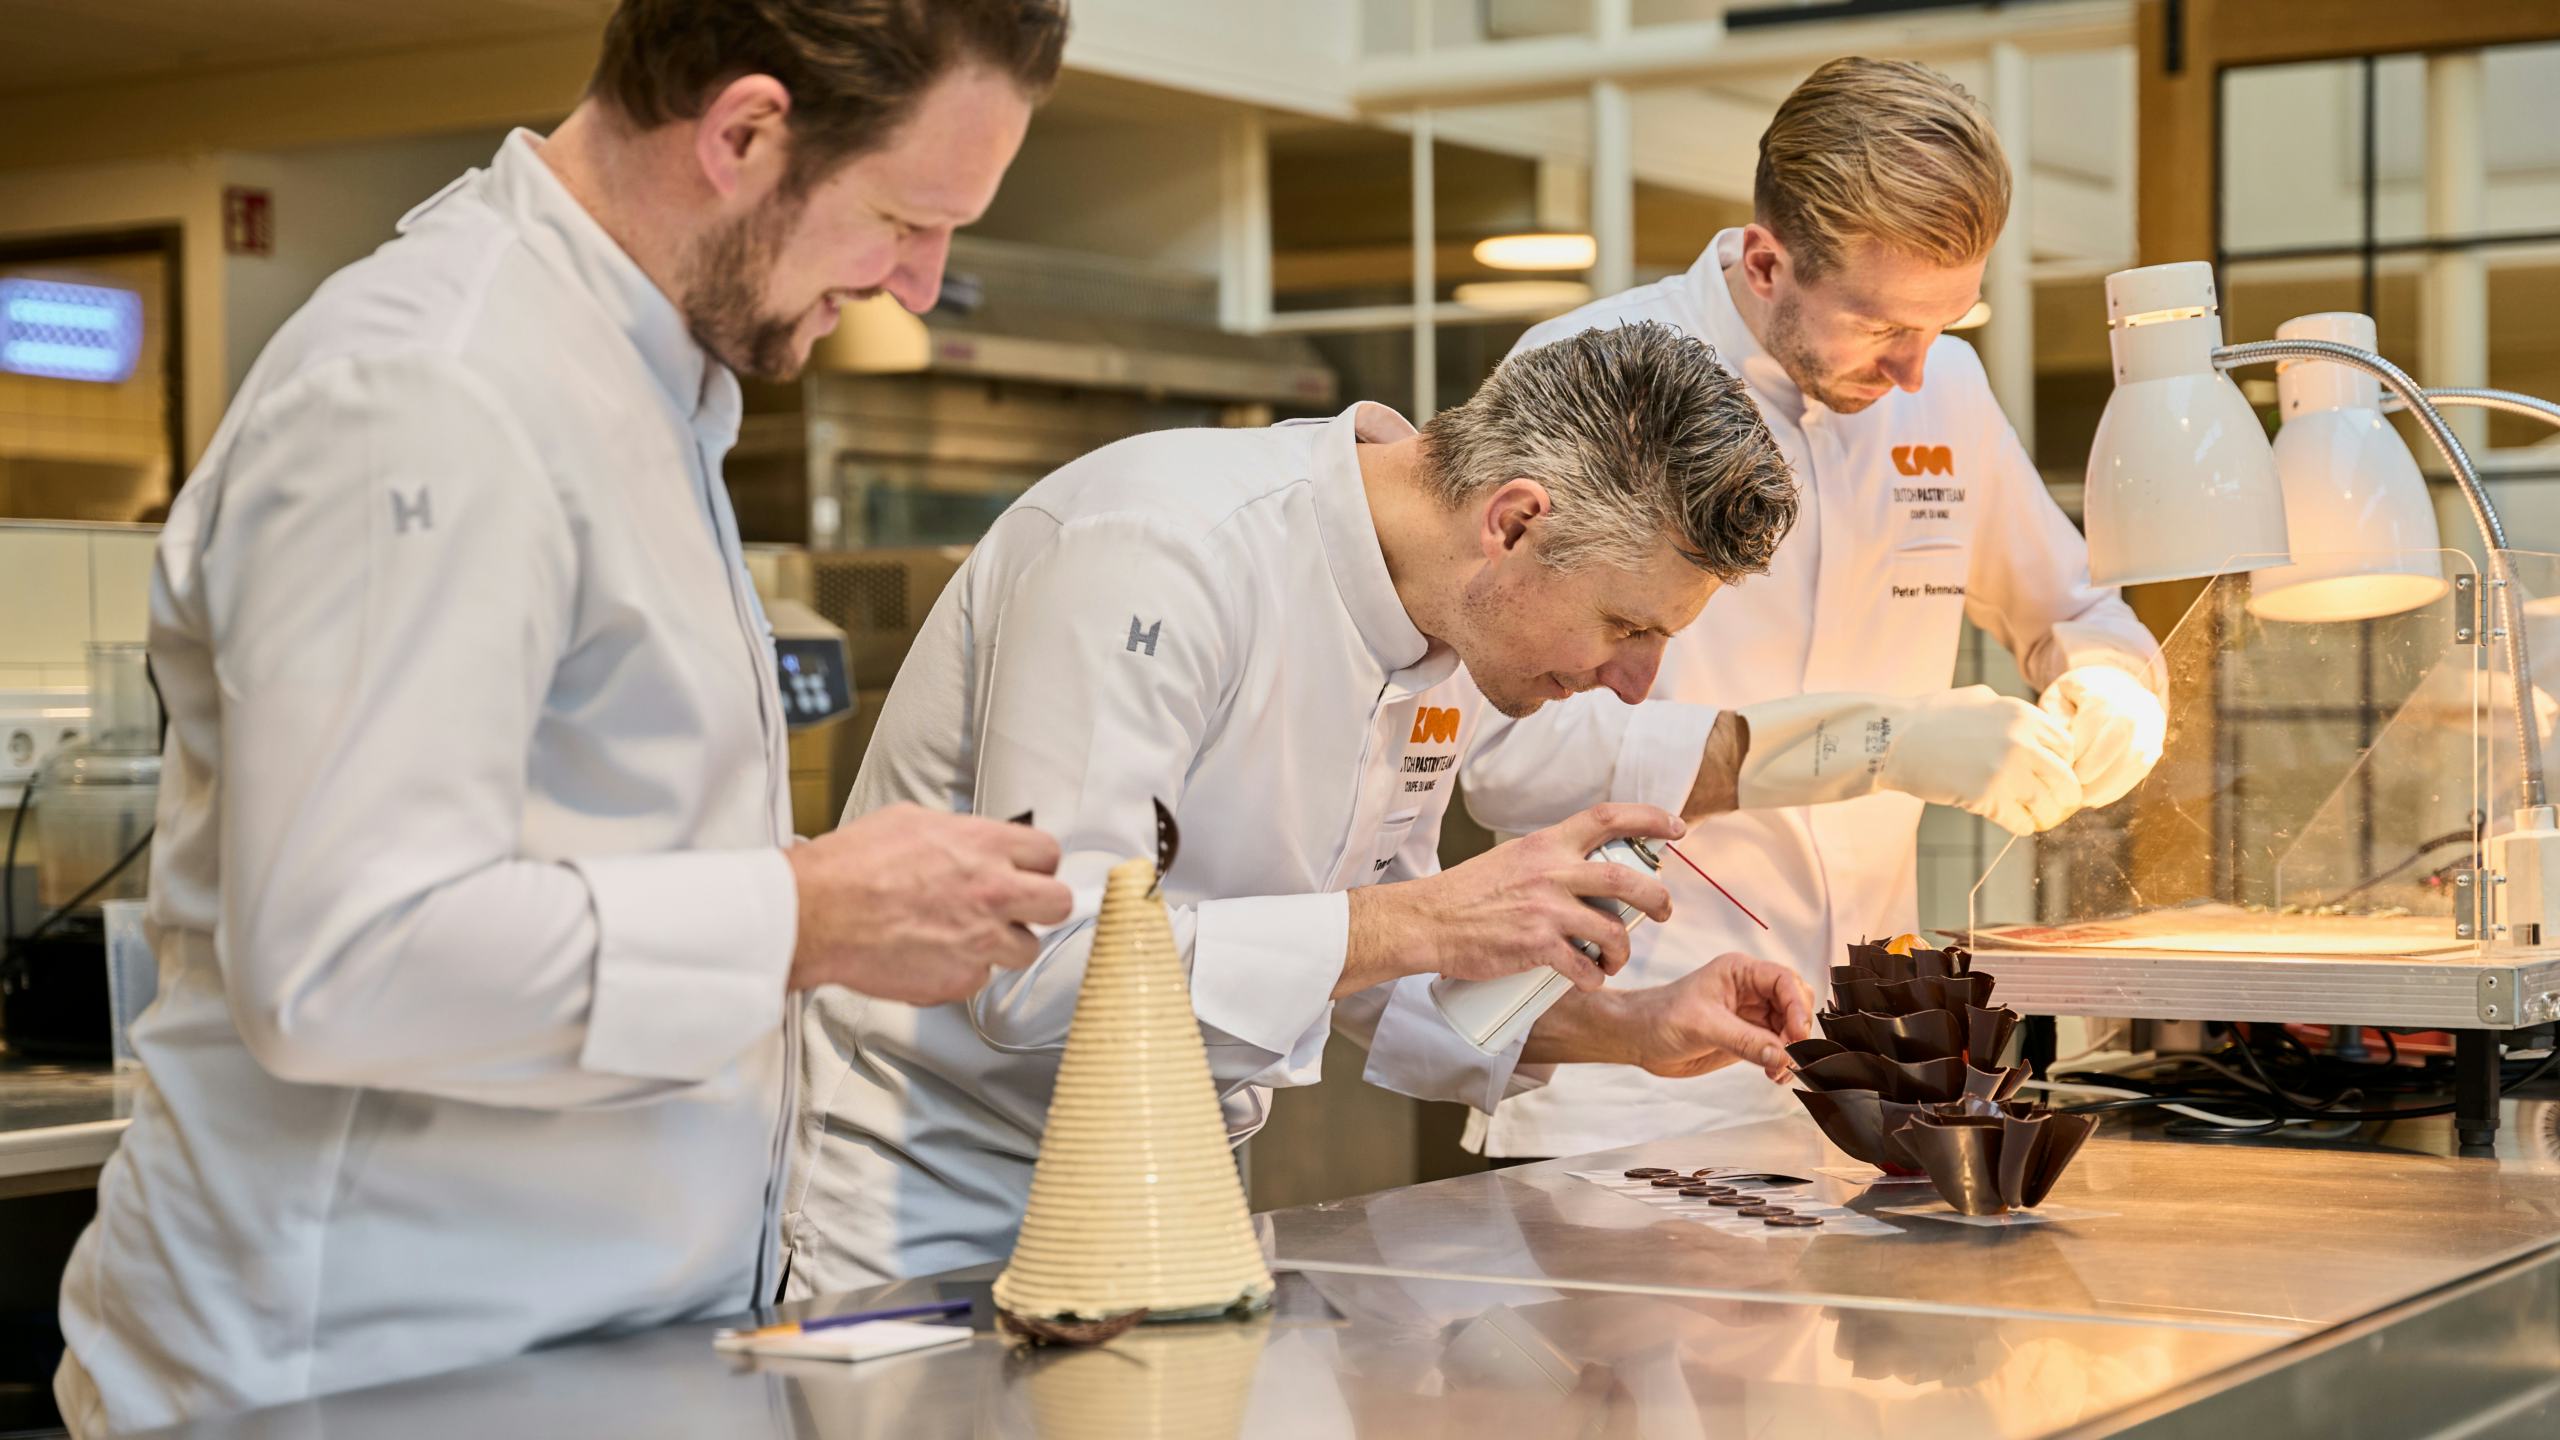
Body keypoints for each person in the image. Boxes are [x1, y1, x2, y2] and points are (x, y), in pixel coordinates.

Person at [54, 2, 1075, 1431]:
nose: (920, 282)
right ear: (743, 132)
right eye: (907, 217)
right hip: (345, 1379)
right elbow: (345, 955)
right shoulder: (434, 393)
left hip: (582, 1367)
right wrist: (803, 916)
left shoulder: (643, 390)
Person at [783, 320, 1816, 1294]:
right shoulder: (1159, 546)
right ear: (1513, 521)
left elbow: (1358, 969)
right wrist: (1426, 919)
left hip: (1180, 1194)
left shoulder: (1443, 627)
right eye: (1625, 623)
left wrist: (1628, 1027)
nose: (1635, 682)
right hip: (934, 1201)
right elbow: (1043, 972)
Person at [1457, 57, 2169, 1164]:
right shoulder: (1582, 380)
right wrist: (1870, 747)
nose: (1914, 365)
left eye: (1947, 320)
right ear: (1764, 259)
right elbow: (1502, 761)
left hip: (1864, 1069)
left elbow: (2071, 608)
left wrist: (2109, 683)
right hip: (1623, 1063)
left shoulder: (1947, 390)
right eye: (1879, 324)